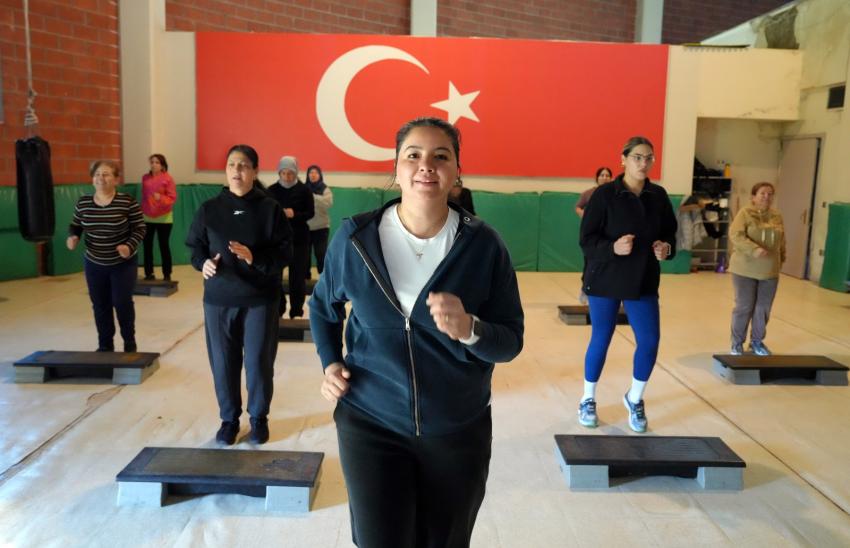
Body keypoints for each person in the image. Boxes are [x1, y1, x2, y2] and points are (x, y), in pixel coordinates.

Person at [310, 117, 524, 548]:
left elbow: (510, 342)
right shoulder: (356, 239)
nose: (426, 165)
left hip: (457, 428)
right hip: (371, 422)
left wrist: (470, 329)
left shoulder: (484, 245)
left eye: (440, 156)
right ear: (396, 167)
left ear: (457, 171)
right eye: (413, 155)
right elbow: (322, 307)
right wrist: (331, 363)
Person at [186, 145, 292, 445]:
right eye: (232, 164)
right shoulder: (210, 209)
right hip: (219, 300)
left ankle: (258, 418)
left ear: (255, 171)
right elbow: (195, 246)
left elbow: (285, 252)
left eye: (244, 165)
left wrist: (254, 257)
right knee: (223, 363)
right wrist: (203, 263)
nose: (237, 170)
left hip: (260, 299)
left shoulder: (270, 209)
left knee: (258, 363)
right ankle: (229, 420)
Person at [578, 137, 677, 433]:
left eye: (649, 158)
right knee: (601, 337)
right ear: (623, 159)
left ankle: (634, 398)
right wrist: (612, 248)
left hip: (643, 279)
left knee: (649, 340)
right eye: (637, 157)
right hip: (605, 278)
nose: (643, 163)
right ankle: (587, 398)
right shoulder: (604, 195)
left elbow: (670, 235)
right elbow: (587, 240)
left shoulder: (658, 196)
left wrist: (666, 249)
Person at [67, 160, 146, 352]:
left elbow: (140, 228)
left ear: (116, 179)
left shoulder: (127, 202)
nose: (100, 178)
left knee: (122, 302)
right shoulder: (83, 203)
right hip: (94, 263)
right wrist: (73, 236)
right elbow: (76, 224)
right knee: (100, 304)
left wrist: (129, 246)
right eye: (97, 174)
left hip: (123, 264)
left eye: (106, 174)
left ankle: (129, 342)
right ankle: (105, 345)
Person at [728, 182, 785, 356]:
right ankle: (737, 343)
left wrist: (781, 259)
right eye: (762, 193)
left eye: (770, 194)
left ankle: (756, 342)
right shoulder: (745, 213)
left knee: (763, 308)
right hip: (744, 268)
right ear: (753, 197)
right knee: (744, 306)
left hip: (769, 270)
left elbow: (782, 241)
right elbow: (735, 235)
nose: (767, 197)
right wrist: (754, 249)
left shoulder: (776, 215)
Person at [266, 156, 314, 318]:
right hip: (277, 242)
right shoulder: (271, 191)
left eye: (290, 173)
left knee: (297, 278)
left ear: (296, 173)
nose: (287, 177)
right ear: (279, 173)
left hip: (299, 240)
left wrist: (295, 214)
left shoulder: (304, 190)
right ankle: (279, 308)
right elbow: (266, 214)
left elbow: (310, 213)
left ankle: (296, 310)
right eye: (284, 173)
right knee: (275, 277)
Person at [576, 166, 613, 303]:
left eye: (607, 175)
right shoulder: (589, 194)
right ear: (597, 178)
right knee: (589, 263)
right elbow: (578, 207)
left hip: (608, 236)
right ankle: (585, 289)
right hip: (592, 235)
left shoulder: (615, 194)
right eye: (602, 175)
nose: (605, 178)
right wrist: (586, 216)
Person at [141, 153, 177, 281]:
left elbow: (172, 198)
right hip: (147, 217)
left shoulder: (168, 179)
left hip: (164, 218)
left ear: (162, 165)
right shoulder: (145, 178)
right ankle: (149, 273)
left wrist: (160, 198)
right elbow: (144, 196)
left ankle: (167, 274)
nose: (154, 164)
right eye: (152, 162)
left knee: (163, 246)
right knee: (147, 246)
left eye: (157, 162)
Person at [305, 164, 333, 277]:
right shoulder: (303, 188)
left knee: (321, 254)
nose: (313, 175)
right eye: (311, 172)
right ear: (307, 175)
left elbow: (328, 203)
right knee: (305, 255)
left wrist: (313, 197)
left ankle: (323, 278)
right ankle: (305, 277)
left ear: (320, 175)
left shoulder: (325, 189)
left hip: (321, 227)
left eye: (315, 172)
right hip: (305, 227)